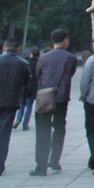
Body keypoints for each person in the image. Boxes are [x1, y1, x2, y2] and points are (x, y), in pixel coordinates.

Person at [31, 28, 77, 176]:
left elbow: (37, 74)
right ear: (65, 40)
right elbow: (70, 74)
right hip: (61, 98)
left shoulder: (43, 57)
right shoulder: (71, 58)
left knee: (42, 131)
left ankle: (41, 166)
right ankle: (55, 160)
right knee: (59, 129)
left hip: (44, 97)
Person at [0, 39, 30, 176]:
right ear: (17, 48)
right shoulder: (23, 64)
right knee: (4, 134)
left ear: (4, 47)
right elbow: (26, 84)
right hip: (10, 102)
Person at [13, 47, 39, 131]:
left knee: (21, 105)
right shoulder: (38, 64)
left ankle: (18, 119)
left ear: (31, 54)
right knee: (29, 106)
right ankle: (25, 124)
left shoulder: (25, 62)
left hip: (23, 87)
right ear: (38, 56)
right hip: (32, 87)